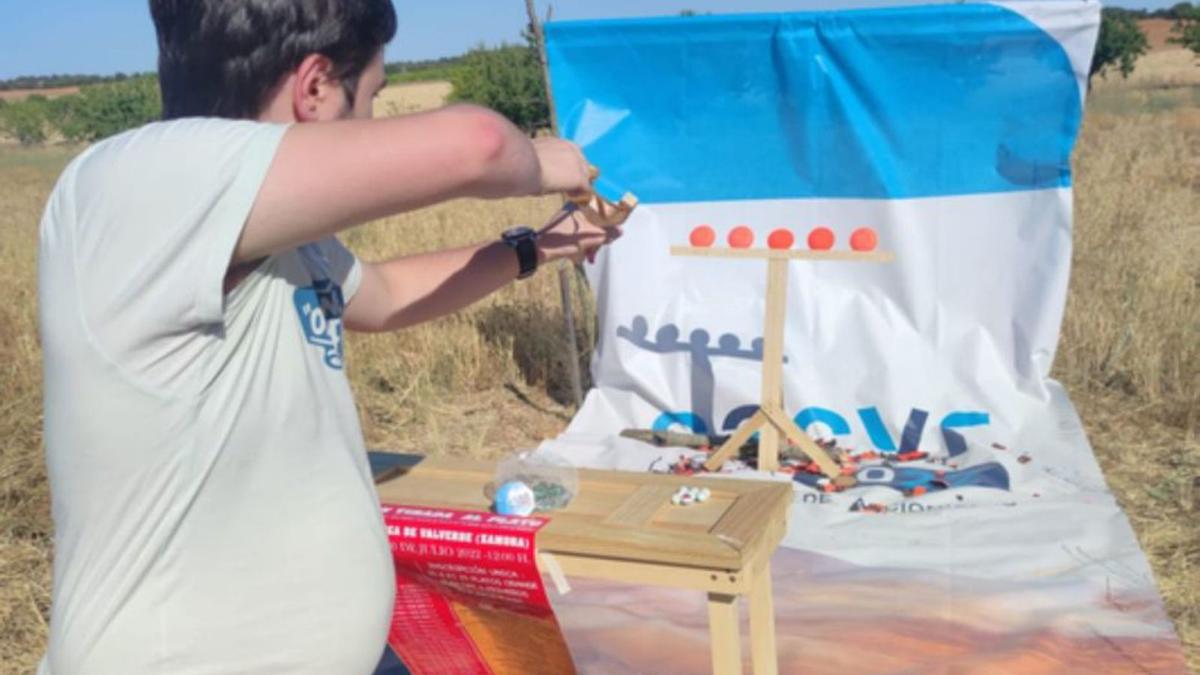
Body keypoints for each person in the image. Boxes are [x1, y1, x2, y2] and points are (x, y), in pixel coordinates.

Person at [36, 1, 619, 673]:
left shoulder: (273, 236)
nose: (371, 121)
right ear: (315, 88)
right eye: (370, 96)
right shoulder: (138, 182)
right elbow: (477, 146)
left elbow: (387, 296)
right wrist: (547, 159)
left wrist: (536, 249)